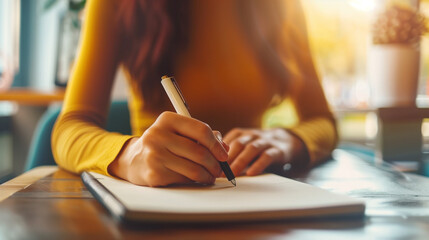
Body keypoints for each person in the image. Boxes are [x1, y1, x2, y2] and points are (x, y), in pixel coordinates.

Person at [52, 0, 337, 187]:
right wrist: (131, 154)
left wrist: (289, 139)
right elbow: (69, 129)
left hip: (253, 194)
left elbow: (323, 121)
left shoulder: (283, 6)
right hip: (160, 200)